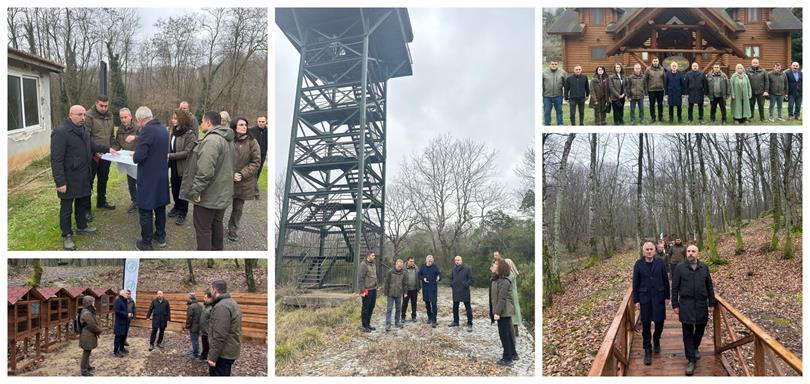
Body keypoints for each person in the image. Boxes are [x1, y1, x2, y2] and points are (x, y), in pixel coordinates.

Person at [50, 105, 116, 250]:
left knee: (82, 202)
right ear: (70, 115)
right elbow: (56, 160)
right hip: (68, 177)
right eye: (79, 114)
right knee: (66, 208)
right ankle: (67, 235)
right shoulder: (60, 132)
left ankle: (82, 226)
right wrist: (60, 181)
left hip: (83, 174)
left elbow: (91, 145)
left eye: (84, 115)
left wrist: (106, 149)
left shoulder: (83, 130)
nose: (83, 117)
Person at [180, 111, 235, 251]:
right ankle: (217, 250)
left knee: (203, 228)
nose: (200, 124)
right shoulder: (226, 139)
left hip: (209, 196)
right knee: (216, 224)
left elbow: (205, 172)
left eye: (202, 121)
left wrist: (195, 191)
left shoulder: (211, 141)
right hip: (222, 194)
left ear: (208, 122)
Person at [672, 245, 716, 376]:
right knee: (687, 332)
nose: (691, 253)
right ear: (686, 253)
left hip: (701, 304)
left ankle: (695, 346)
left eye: (693, 251)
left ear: (698, 253)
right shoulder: (680, 267)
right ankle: (691, 359)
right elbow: (674, 288)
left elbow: (709, 286)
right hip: (686, 304)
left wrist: (711, 302)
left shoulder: (704, 267)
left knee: (701, 327)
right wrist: (675, 304)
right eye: (689, 251)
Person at [132, 106, 170, 251]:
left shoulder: (146, 131)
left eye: (137, 121)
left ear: (140, 119)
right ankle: (160, 236)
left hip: (148, 177)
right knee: (160, 207)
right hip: (161, 175)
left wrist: (135, 154)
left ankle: (146, 243)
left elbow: (138, 156)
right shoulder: (163, 129)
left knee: (145, 209)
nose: (138, 124)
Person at [633, 242, 670, 366]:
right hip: (645, 298)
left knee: (659, 322)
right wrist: (636, 300)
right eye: (647, 249)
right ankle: (647, 349)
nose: (649, 251)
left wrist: (667, 296)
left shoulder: (660, 263)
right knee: (646, 324)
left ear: (655, 250)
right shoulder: (638, 264)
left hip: (659, 297)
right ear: (643, 251)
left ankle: (656, 339)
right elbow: (635, 283)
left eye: (651, 249)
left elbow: (665, 280)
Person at [227, 117, 261, 242]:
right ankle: (215, 226)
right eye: (241, 124)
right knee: (221, 205)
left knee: (238, 208)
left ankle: (233, 229)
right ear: (234, 126)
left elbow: (256, 162)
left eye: (245, 124)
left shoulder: (252, 142)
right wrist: (230, 174)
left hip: (243, 181)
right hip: (227, 180)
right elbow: (222, 158)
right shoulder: (228, 140)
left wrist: (242, 174)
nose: (244, 126)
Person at [85, 95, 116, 216]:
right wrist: (94, 151)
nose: (104, 108)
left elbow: (111, 135)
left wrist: (113, 148)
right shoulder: (89, 116)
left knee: (103, 178)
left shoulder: (110, 115)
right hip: (93, 155)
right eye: (101, 105)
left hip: (106, 154)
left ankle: (101, 201)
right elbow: (86, 137)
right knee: (89, 181)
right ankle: (86, 209)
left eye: (106, 106)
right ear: (96, 103)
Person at [168, 109, 197, 225]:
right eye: (172, 118)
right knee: (174, 187)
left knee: (183, 190)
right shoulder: (173, 131)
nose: (173, 120)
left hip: (184, 166)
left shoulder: (190, 134)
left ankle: (183, 212)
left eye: (175, 118)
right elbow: (170, 146)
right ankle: (176, 206)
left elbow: (187, 152)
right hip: (174, 164)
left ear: (182, 119)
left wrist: (170, 156)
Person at [207, 280, 242, 376]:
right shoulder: (232, 303)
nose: (210, 292)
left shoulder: (221, 307)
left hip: (222, 354)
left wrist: (213, 357)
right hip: (228, 350)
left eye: (211, 289)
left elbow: (219, 335)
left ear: (215, 290)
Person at [489, 259, 516, 367]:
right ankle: (512, 354)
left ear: (501, 267)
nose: (493, 265)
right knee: (506, 333)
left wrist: (497, 313)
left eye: (495, 264)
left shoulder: (504, 281)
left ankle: (508, 358)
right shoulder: (496, 279)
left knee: (504, 335)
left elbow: (502, 299)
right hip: (502, 311)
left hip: (504, 312)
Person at [113, 108, 139, 213]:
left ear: (130, 116)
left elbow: (145, 139)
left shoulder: (138, 127)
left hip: (138, 159)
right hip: (127, 160)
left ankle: (144, 202)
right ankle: (135, 201)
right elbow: (118, 144)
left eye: (125, 117)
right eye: (121, 117)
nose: (123, 120)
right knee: (131, 182)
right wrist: (113, 150)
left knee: (141, 182)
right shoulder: (119, 130)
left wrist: (135, 137)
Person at [79, 295, 102, 376]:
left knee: (88, 352)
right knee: (86, 353)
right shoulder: (87, 313)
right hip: (87, 335)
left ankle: (87, 366)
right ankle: (84, 370)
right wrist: (99, 331)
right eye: (93, 302)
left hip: (88, 334)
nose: (94, 303)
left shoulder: (88, 311)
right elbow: (92, 326)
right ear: (89, 303)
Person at [504, 258, 523, 358]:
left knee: (513, 311)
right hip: (512, 293)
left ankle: (514, 330)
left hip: (512, 294)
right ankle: (515, 329)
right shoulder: (512, 273)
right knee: (514, 310)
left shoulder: (511, 274)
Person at [450, 255, 473, 331]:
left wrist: (466, 284)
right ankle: (456, 321)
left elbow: (471, 279)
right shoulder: (453, 268)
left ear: (461, 260)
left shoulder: (467, 268)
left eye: (458, 260)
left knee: (468, 307)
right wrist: (452, 284)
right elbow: (451, 278)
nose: (457, 261)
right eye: (456, 260)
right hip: (456, 290)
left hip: (464, 290)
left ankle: (470, 323)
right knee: (455, 307)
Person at [357, 251, 378, 332]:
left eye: (374, 255)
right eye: (372, 255)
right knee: (366, 307)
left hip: (373, 289)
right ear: (368, 256)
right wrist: (362, 291)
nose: (374, 257)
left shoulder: (373, 264)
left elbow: (374, 276)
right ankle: (364, 325)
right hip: (366, 289)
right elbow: (361, 278)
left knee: (371, 307)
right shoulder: (363, 265)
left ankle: (368, 324)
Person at [384, 259, 407, 331]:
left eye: (401, 266)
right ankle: (388, 324)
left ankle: (397, 322)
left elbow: (404, 284)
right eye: (399, 266)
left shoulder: (404, 273)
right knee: (389, 309)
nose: (400, 267)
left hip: (399, 293)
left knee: (398, 309)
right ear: (396, 264)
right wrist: (386, 292)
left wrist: (405, 292)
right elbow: (386, 282)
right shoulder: (390, 272)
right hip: (390, 293)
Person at [419, 255, 442, 328]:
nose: (430, 262)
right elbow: (419, 275)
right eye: (429, 261)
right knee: (427, 304)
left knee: (434, 304)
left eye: (431, 261)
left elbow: (439, 274)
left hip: (433, 288)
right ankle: (429, 317)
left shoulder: (435, 267)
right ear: (426, 260)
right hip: (425, 289)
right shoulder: (422, 267)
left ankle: (434, 320)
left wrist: (438, 277)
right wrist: (423, 278)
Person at [248, 116, 268, 198]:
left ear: (266, 122)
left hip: (262, 154)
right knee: (254, 172)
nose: (261, 123)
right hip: (253, 155)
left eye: (263, 121)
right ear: (257, 122)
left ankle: (252, 188)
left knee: (258, 172)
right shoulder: (251, 131)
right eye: (259, 121)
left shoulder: (268, 132)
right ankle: (256, 192)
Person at [542, 59, 566, 125]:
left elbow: (566, 85)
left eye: (555, 64)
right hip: (547, 97)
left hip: (558, 96)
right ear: (549, 64)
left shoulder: (562, 72)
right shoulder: (544, 73)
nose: (554, 65)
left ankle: (560, 124)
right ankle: (547, 124)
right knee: (546, 112)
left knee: (559, 111)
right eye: (552, 64)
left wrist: (566, 95)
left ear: (558, 65)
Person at [746, 58, 769, 122]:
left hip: (761, 92)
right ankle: (751, 117)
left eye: (756, 63)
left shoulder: (763, 71)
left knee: (761, 105)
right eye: (754, 63)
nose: (755, 64)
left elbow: (767, 81)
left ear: (758, 63)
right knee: (751, 105)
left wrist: (766, 91)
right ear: (751, 63)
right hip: (751, 92)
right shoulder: (747, 71)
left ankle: (762, 118)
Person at [645, 57, 666, 123]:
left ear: (658, 62)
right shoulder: (648, 69)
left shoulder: (662, 69)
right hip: (651, 90)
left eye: (656, 61)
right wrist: (646, 89)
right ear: (652, 62)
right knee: (652, 104)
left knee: (660, 104)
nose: (655, 62)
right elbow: (645, 79)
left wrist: (664, 88)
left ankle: (661, 117)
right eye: (654, 61)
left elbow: (664, 79)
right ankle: (653, 118)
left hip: (660, 90)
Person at [401, 257, 421, 323]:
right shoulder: (403, 268)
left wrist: (419, 287)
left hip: (414, 289)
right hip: (406, 290)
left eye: (413, 261)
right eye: (411, 261)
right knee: (404, 304)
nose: (412, 263)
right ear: (408, 261)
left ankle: (414, 317)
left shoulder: (416, 268)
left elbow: (419, 278)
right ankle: (403, 317)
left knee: (414, 304)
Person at [112, 289, 130, 357]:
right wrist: (126, 314)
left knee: (123, 336)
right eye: (126, 293)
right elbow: (117, 311)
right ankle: (116, 351)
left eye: (128, 294)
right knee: (118, 337)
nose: (128, 295)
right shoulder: (118, 301)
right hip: (119, 322)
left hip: (125, 322)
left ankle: (122, 348)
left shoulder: (124, 300)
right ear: (122, 294)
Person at [185, 292, 203, 359]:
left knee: (194, 340)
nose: (187, 298)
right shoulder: (200, 305)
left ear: (190, 298)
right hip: (199, 326)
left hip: (193, 327)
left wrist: (187, 326)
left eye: (188, 297)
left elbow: (189, 318)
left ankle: (195, 353)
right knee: (196, 339)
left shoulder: (191, 306)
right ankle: (196, 351)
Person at [199, 291, 213, 363]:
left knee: (209, 346)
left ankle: (209, 359)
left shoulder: (212, 307)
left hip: (208, 331)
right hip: (203, 330)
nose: (204, 299)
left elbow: (212, 320)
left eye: (205, 297)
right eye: (204, 297)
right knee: (204, 345)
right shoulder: (205, 306)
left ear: (210, 298)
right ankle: (203, 356)